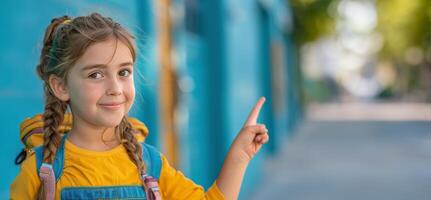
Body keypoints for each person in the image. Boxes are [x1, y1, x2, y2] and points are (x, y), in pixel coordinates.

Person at [10, 13, 269, 200]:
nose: (115, 88)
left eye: (124, 72)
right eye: (96, 75)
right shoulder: (42, 170)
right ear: (61, 87)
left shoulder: (150, 165)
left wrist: (240, 156)